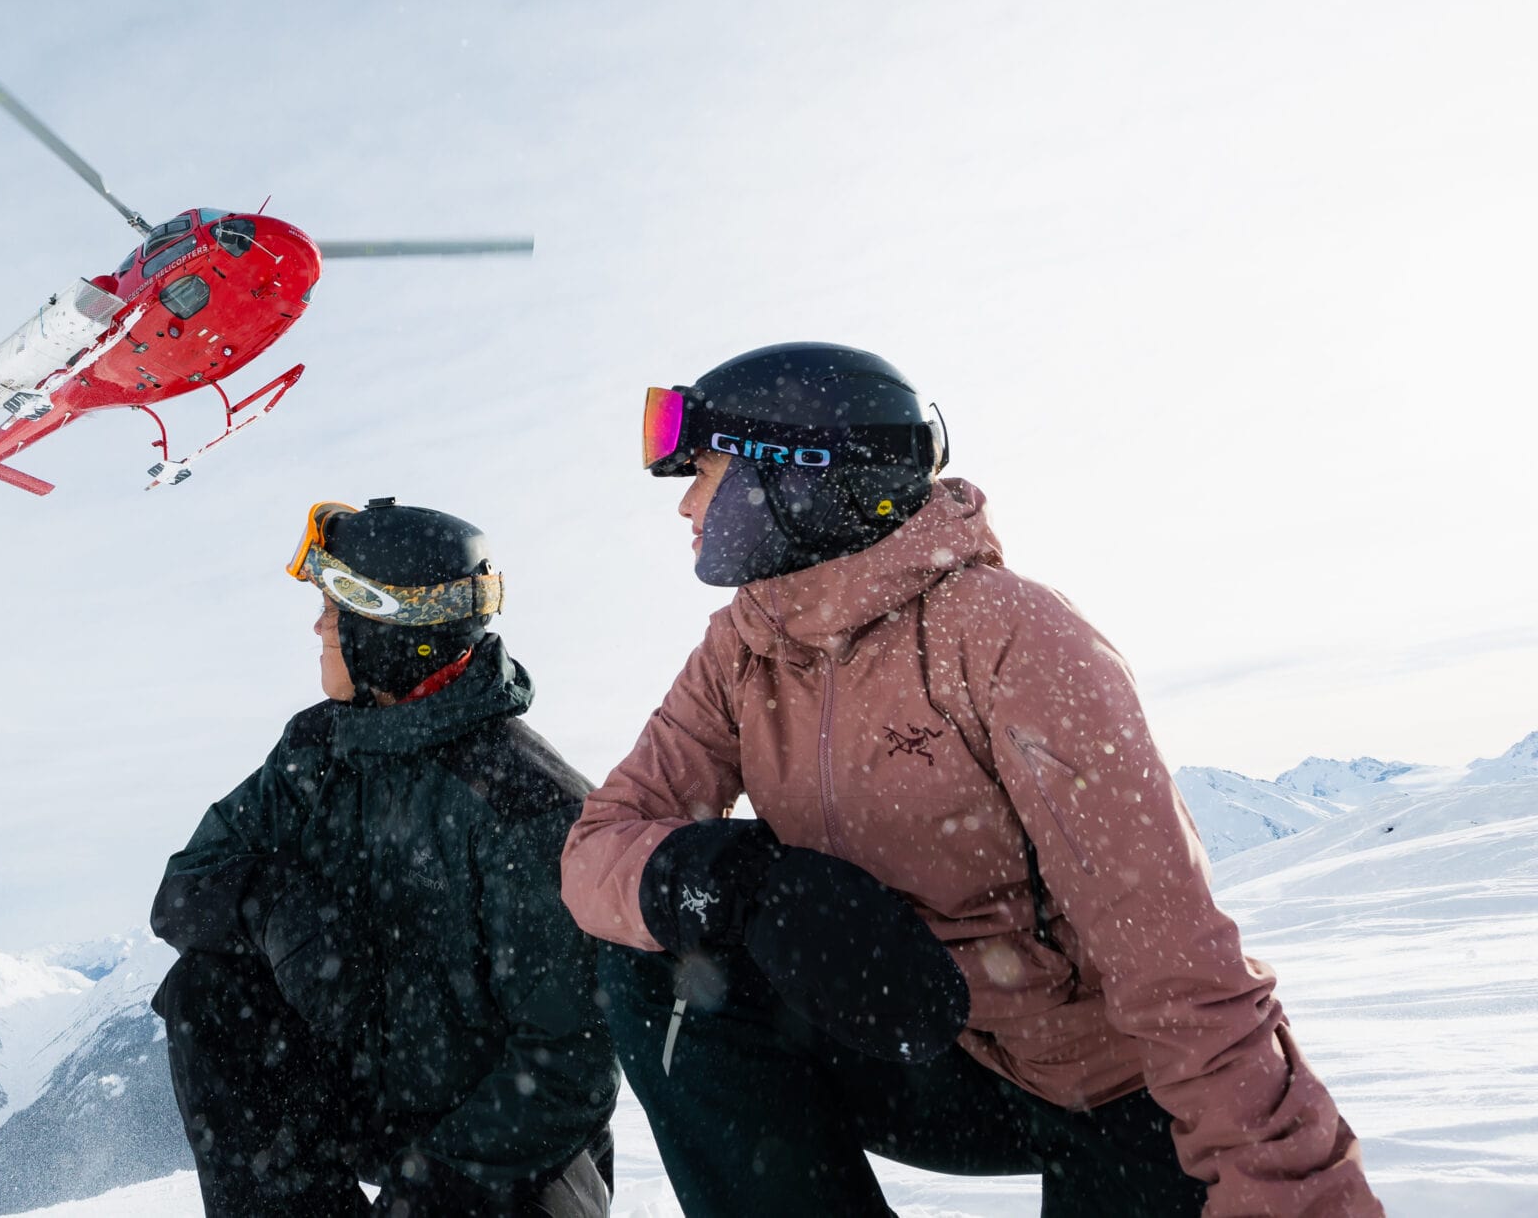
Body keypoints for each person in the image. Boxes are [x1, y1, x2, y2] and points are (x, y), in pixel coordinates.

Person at [560, 343, 1383, 1217]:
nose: (687, 503)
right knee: (654, 955)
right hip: (923, 1052)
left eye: (709, 472)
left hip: (1111, 1087)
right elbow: (600, 845)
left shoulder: (1012, 636)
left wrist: (1291, 1191)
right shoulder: (744, 647)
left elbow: (1176, 961)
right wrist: (750, 882)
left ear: (798, 476)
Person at [150, 498, 617, 1218]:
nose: (317, 627)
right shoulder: (317, 750)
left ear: (390, 629)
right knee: (208, 993)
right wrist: (277, 909)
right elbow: (181, 892)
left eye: (335, 610)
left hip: (505, 1143)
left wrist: (430, 1190)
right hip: (363, 1094)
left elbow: (568, 1070)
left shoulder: (530, 809)